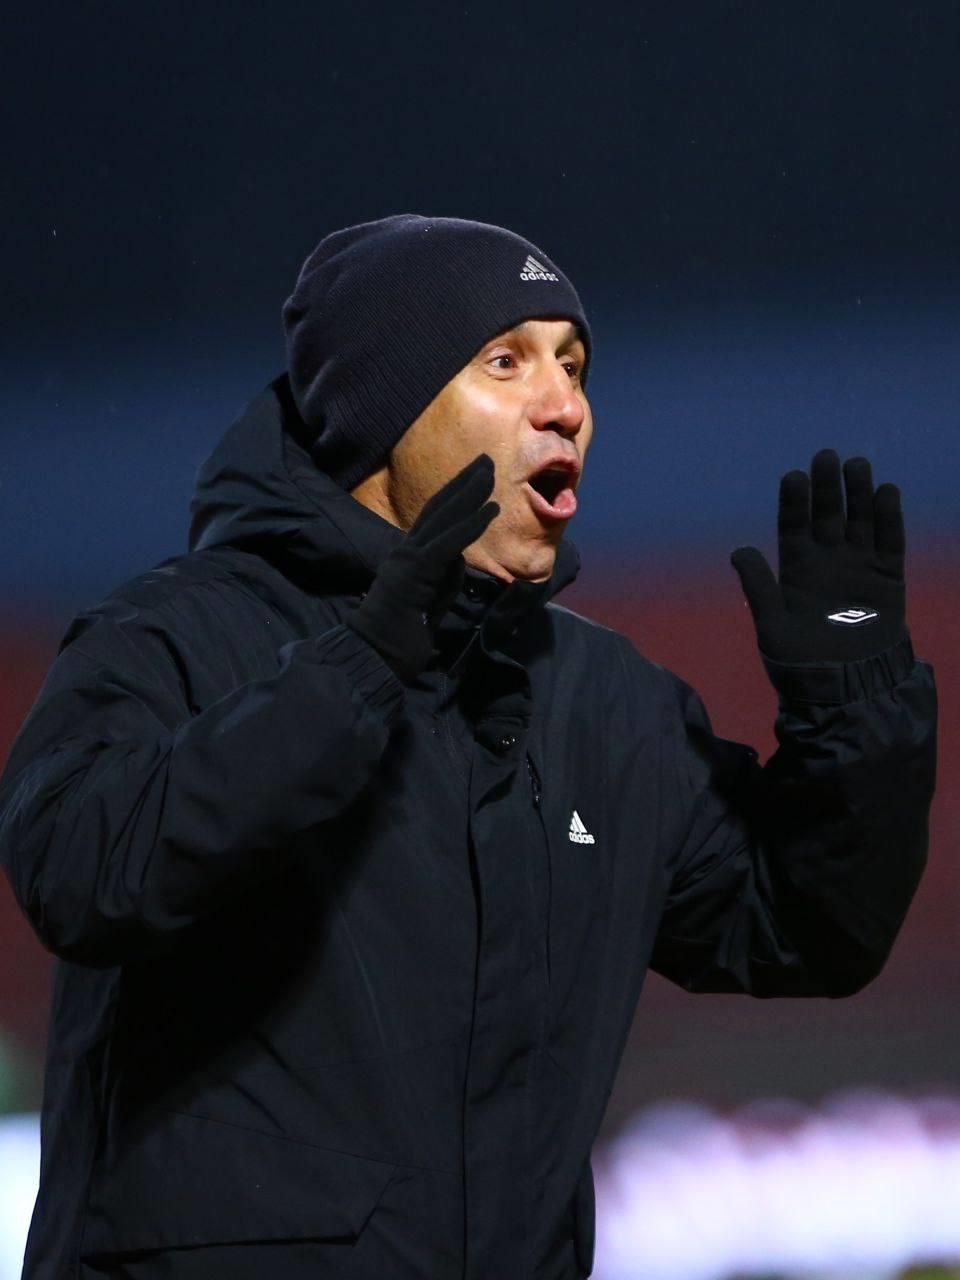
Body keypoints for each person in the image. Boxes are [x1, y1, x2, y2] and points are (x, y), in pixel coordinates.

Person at [0, 213, 936, 1280]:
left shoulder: (603, 701)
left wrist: (852, 707)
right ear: (383, 412)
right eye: (506, 360)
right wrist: (356, 672)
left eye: (573, 365)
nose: (564, 403)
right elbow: (80, 873)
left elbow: (806, 930)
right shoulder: (171, 637)